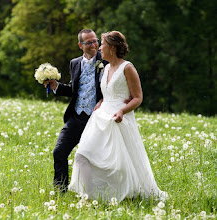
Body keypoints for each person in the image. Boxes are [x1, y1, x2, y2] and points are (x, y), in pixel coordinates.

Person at [68, 31, 166, 202]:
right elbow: (106, 93)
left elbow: (137, 98)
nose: (100, 48)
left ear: (112, 48)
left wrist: (122, 111)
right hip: (100, 117)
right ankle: (90, 193)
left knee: (116, 162)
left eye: (103, 44)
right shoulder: (105, 67)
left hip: (118, 119)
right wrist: (100, 102)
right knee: (83, 154)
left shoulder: (128, 68)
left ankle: (119, 194)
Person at [44, 29, 108, 193]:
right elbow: (74, 88)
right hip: (75, 117)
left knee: (97, 159)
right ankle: (60, 191)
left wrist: (104, 102)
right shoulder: (75, 63)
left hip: (96, 118)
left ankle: (100, 192)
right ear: (80, 45)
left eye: (95, 41)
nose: (94, 45)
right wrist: (56, 86)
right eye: (89, 42)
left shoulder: (106, 62)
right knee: (59, 152)